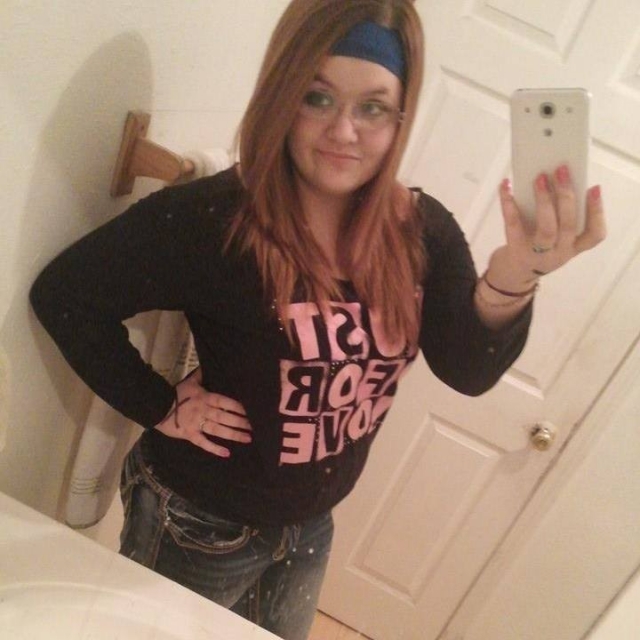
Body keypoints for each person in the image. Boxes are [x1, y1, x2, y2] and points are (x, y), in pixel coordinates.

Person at [29, 1, 606, 638]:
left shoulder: (421, 231)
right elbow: (66, 295)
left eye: (373, 107)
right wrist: (162, 407)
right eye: (317, 97)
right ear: (283, 93)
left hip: (311, 524)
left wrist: (517, 272)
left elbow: (467, 369)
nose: (344, 132)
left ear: (400, 116)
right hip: (199, 520)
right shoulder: (213, 221)